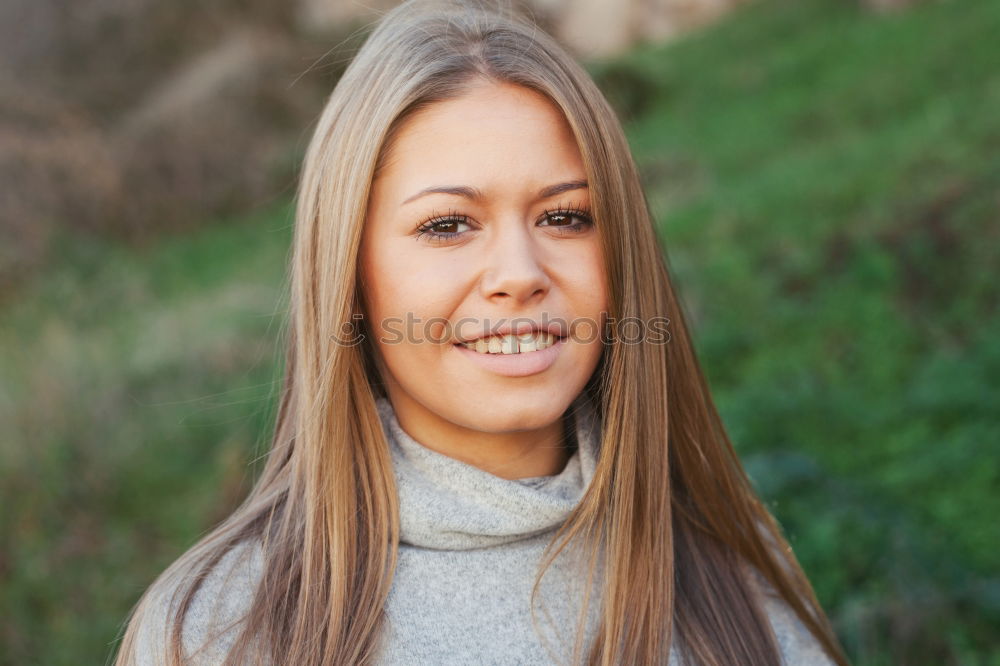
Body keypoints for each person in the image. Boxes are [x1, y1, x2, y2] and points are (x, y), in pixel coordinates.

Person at [114, 0, 850, 664]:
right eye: (448, 225)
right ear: (351, 276)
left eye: (564, 216)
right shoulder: (217, 632)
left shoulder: (739, 579)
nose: (519, 272)